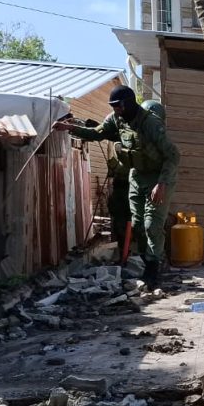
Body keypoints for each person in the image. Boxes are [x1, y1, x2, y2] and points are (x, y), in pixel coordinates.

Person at [54, 86, 180, 289]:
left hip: (158, 178)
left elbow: (173, 156)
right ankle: (148, 263)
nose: (116, 109)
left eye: (118, 105)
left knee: (151, 225)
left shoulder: (150, 123)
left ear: (128, 103)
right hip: (137, 176)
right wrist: (70, 129)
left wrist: (162, 183)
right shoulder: (116, 119)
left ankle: (153, 271)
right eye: (112, 106)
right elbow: (98, 134)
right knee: (138, 225)